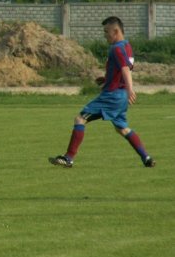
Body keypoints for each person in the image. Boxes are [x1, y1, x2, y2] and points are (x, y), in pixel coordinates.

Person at [49, 16, 155, 168]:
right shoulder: (127, 46)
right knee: (122, 128)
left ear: (116, 31)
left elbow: (125, 69)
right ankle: (147, 158)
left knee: (80, 119)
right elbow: (122, 69)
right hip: (121, 96)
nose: (105, 35)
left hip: (112, 96)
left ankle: (68, 158)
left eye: (107, 32)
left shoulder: (117, 48)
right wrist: (108, 79)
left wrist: (131, 88)